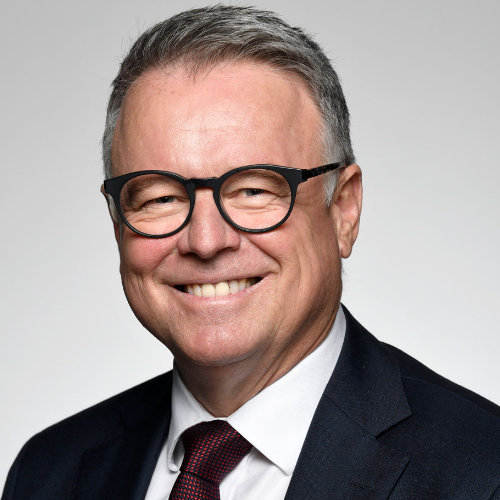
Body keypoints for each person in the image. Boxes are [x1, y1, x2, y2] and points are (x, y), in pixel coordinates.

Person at [3, 5, 499, 499]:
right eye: (159, 198)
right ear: (117, 223)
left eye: (254, 190)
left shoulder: (484, 472)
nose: (205, 241)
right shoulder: (48, 474)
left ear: (344, 211)